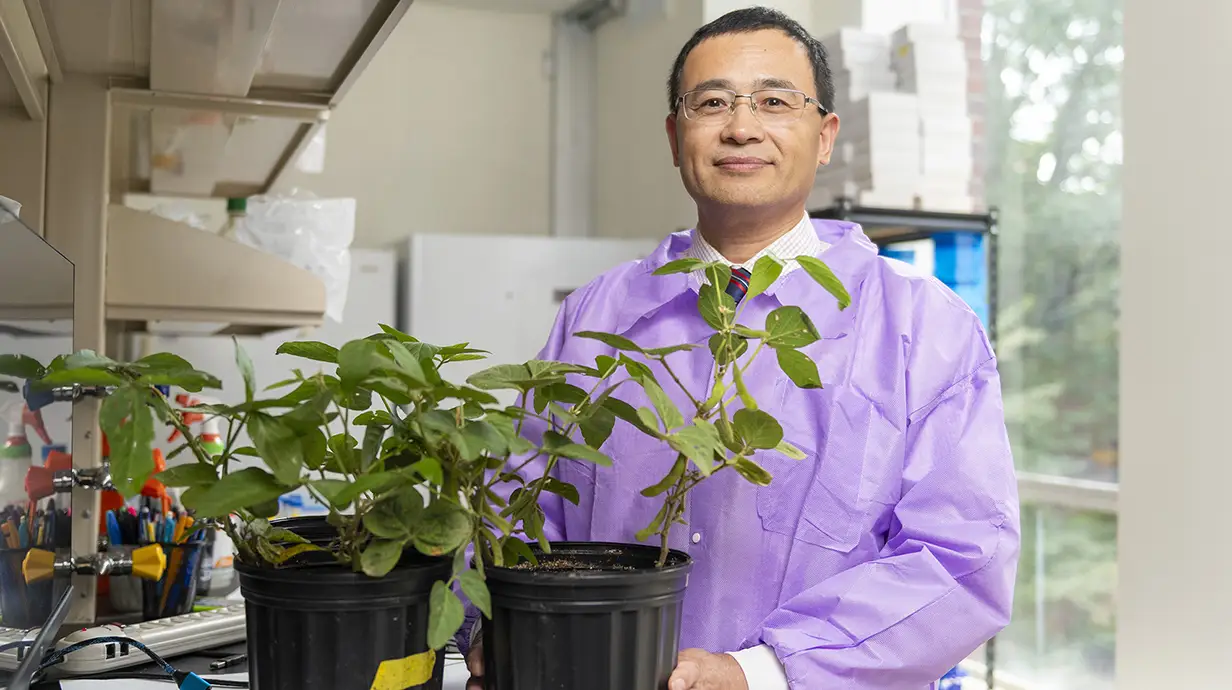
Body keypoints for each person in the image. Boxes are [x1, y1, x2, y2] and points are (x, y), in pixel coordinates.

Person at [464, 7, 1020, 689]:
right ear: (675, 136)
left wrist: (763, 672)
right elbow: (519, 505)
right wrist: (488, 626)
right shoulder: (596, 313)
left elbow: (962, 561)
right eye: (713, 102)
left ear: (825, 136)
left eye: (776, 101)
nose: (742, 126)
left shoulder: (924, 326)